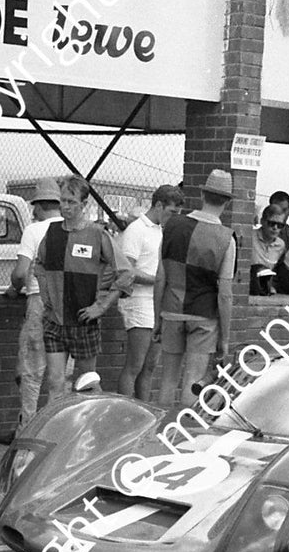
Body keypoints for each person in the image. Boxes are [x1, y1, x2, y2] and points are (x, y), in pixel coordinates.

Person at [154, 169, 237, 408]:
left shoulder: (172, 226)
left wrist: (157, 318)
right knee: (193, 381)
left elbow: (161, 277)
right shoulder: (227, 239)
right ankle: (182, 435)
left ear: (202, 194)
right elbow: (225, 293)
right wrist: (225, 337)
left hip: (171, 310)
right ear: (227, 202)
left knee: (167, 380)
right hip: (204, 316)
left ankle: (159, 437)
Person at [38, 174, 118, 400]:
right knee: (54, 382)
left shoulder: (97, 234)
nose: (65, 206)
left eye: (71, 202)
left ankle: (91, 428)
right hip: (55, 320)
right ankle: (55, 433)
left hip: (84, 321)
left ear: (84, 205)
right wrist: (47, 295)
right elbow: (39, 265)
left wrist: (101, 306)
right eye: (62, 200)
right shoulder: (52, 232)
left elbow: (125, 273)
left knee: (87, 383)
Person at [0, 178, 64, 445]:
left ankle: (26, 430)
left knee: (32, 371)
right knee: (60, 373)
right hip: (67, 304)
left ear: (38, 205)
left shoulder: (35, 230)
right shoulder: (72, 229)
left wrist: (15, 288)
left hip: (39, 299)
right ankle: (55, 432)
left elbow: (20, 273)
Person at [115, 184, 183, 398]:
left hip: (156, 303)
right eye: (171, 212)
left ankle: (144, 413)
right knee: (135, 365)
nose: (173, 217)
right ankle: (125, 413)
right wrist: (158, 281)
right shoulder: (136, 230)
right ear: (159, 205)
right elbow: (127, 271)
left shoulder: (161, 230)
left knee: (150, 366)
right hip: (138, 302)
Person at [251, 203, 289, 296]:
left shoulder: (281, 245)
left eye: (280, 225)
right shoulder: (250, 237)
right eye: (272, 223)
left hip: (266, 291)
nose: (275, 228)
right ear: (262, 221)